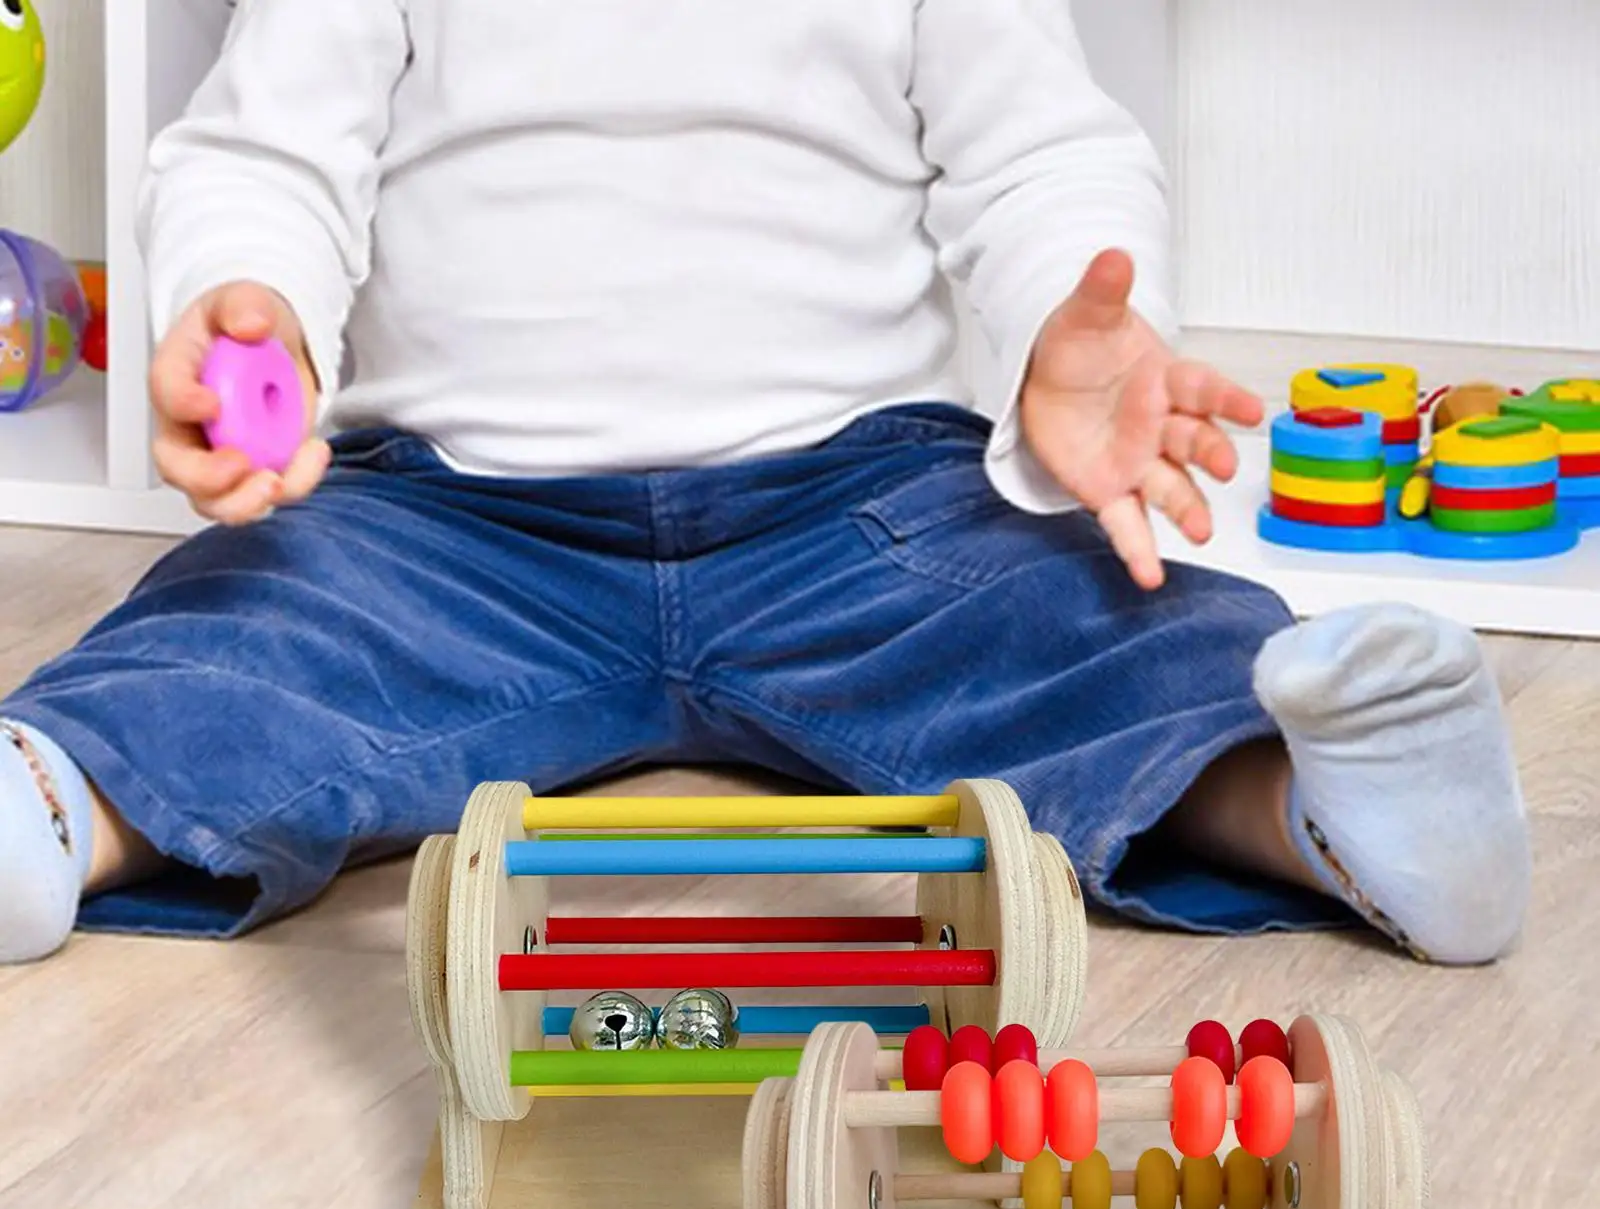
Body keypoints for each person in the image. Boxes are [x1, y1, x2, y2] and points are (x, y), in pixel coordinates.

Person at [0, 0, 1528, 966]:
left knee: (1117, 622)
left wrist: (1080, 318)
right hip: (452, 525)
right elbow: (266, 157)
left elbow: (1041, 156)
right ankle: (56, 808)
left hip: (861, 514)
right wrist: (243, 296)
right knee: (245, 633)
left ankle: (1338, 815)